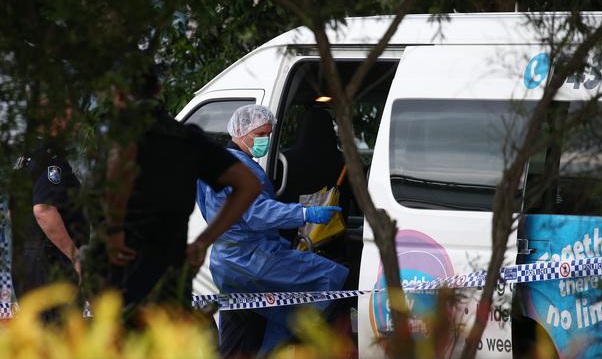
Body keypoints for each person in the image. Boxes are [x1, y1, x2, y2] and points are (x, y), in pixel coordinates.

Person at [101, 73, 261, 321]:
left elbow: (118, 173)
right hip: (173, 277)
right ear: (158, 89)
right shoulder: (187, 138)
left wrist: (113, 232)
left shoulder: (125, 134)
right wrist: (203, 242)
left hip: (125, 276)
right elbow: (248, 185)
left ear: (118, 95)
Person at [196, 104, 349, 357]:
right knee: (331, 279)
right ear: (240, 131)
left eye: (268, 133)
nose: (266, 140)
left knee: (243, 330)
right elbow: (258, 213)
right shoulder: (240, 168)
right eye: (260, 134)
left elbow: (208, 208)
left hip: (227, 262)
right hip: (252, 261)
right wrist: (303, 213)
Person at [9, 103, 88, 319]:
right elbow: (43, 211)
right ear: (57, 122)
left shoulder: (25, 159)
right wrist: (74, 256)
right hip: (50, 266)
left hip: (27, 261)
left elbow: (12, 212)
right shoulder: (51, 161)